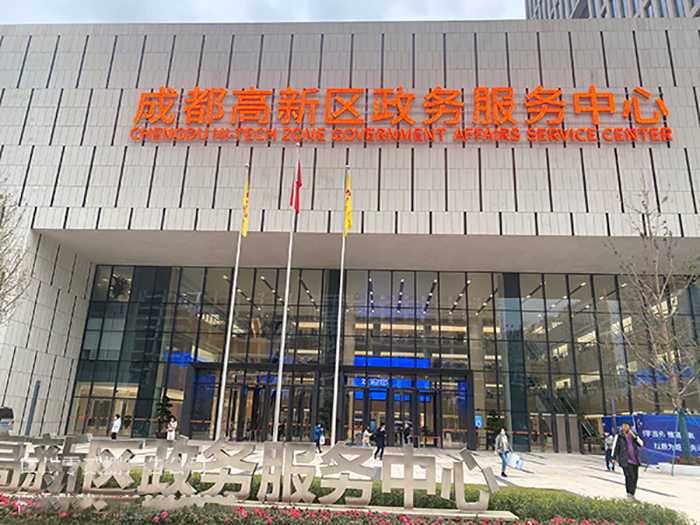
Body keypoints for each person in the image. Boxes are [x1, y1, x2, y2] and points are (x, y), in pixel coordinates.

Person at [612, 420, 644, 501]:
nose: (624, 428)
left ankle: (632, 494)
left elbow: (641, 444)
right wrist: (613, 458)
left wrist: (634, 436)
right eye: (623, 426)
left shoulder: (634, 435)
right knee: (630, 476)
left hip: (635, 459)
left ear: (629, 427)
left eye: (626, 426)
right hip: (625, 460)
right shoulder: (619, 436)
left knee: (635, 477)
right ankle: (629, 493)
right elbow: (615, 447)